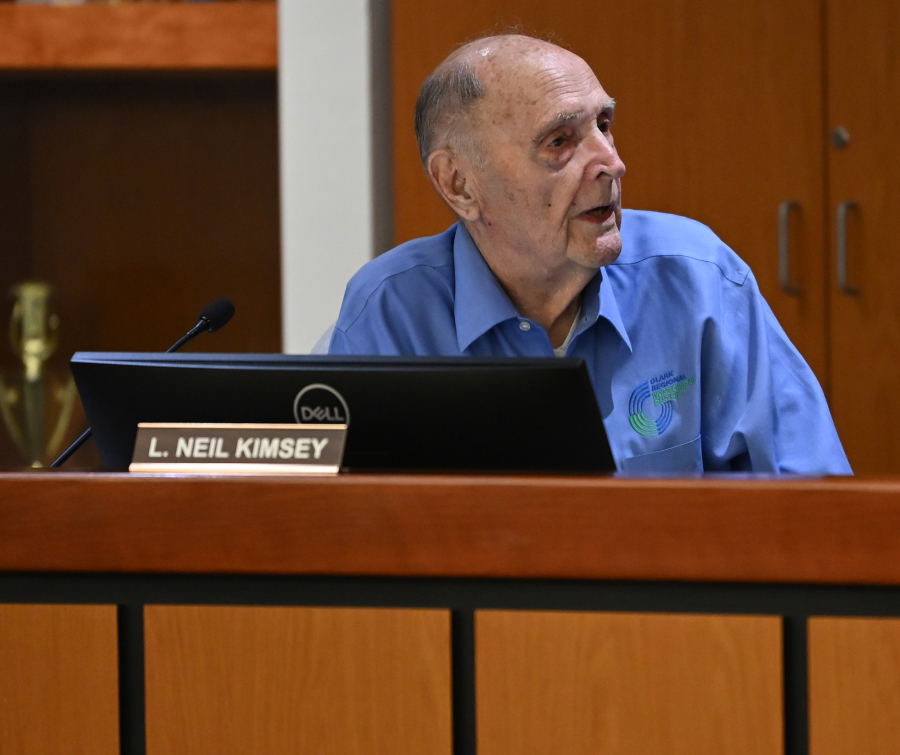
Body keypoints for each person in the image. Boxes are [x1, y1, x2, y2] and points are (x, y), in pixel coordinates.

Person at [328, 34, 851, 474]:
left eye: (604, 124)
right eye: (559, 141)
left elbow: (815, 503)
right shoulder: (391, 312)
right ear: (459, 183)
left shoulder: (700, 278)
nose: (612, 163)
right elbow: (350, 526)